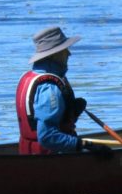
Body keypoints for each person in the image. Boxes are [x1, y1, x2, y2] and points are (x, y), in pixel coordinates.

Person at [15, 26, 106, 155]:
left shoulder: (30, 76)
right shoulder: (50, 88)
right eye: (64, 50)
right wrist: (83, 144)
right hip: (49, 160)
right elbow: (47, 136)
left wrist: (72, 113)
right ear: (54, 55)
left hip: (29, 155)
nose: (69, 53)